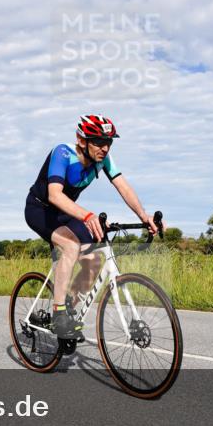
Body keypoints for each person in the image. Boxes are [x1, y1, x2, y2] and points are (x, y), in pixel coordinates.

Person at [25, 115, 159, 339]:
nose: (105, 148)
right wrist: (87, 216)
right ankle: (58, 314)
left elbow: (123, 186)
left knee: (94, 260)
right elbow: (54, 195)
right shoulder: (63, 153)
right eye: (98, 142)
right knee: (71, 246)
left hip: (66, 212)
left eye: (108, 142)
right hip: (40, 209)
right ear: (81, 140)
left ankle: (67, 307)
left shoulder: (103, 159)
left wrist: (144, 216)